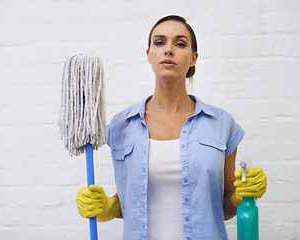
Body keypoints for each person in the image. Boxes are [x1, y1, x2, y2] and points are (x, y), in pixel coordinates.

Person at [76, 15, 267, 240]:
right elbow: (129, 202)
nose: (168, 50)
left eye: (180, 43)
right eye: (159, 42)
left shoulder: (222, 124)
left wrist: (241, 196)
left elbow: (223, 208)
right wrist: (106, 207)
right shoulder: (121, 126)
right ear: (149, 55)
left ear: (193, 58)